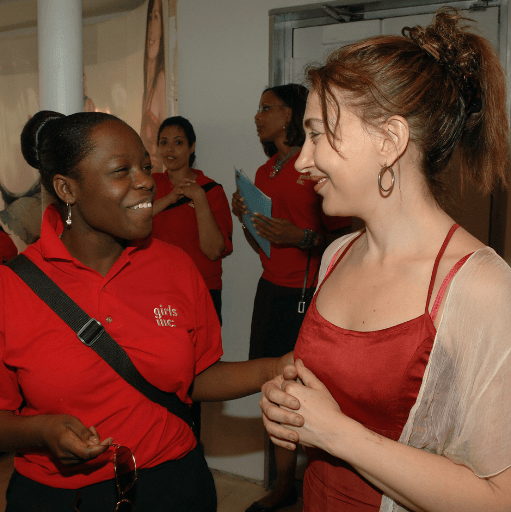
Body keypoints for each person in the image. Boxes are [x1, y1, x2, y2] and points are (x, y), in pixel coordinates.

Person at [260, 8, 511, 512]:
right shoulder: (337, 254)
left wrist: (334, 431)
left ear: (389, 140)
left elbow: (498, 499)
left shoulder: (482, 287)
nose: (303, 161)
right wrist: (289, 402)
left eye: (317, 134)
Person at [0, 110, 292, 512]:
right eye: (122, 170)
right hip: (64, 498)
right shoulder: (12, 287)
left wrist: (275, 368)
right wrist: (41, 430)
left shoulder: (174, 266)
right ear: (67, 189)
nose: (146, 182)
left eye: (144, 166)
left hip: (174, 482)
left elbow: (194, 376)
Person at [232, 84, 351, 512]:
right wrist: (247, 219)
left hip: (310, 291)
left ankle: (324, 481)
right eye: (258, 107)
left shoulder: (313, 167)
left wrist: (301, 237)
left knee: (316, 389)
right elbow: (264, 243)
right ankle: (284, 484)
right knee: (275, 385)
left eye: (267, 108)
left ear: (289, 115)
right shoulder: (265, 172)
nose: (257, 115)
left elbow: (347, 236)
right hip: (272, 290)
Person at [152, 116, 233, 323]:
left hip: (201, 290)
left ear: (191, 147)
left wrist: (199, 197)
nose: (170, 149)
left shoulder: (211, 190)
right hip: (156, 290)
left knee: (202, 355)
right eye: (164, 142)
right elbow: (132, 221)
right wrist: (170, 198)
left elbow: (214, 251)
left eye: (178, 142)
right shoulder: (149, 185)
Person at [140, 0, 166, 170]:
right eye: (150, 17)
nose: (151, 28)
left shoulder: (162, 81)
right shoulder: (148, 85)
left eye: (156, 17)